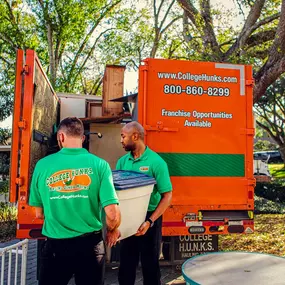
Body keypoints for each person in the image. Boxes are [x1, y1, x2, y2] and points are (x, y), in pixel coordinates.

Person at [29, 117, 121, 285]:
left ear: (61, 137)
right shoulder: (100, 165)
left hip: (56, 246)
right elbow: (112, 213)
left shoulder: (42, 165)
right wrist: (112, 230)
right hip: (90, 247)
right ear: (83, 138)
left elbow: (39, 213)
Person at [116, 121, 172, 285]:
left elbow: (167, 195)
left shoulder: (157, 162)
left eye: (123, 136)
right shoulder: (122, 162)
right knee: (126, 264)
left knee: (150, 266)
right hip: (126, 219)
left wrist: (150, 221)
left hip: (149, 219)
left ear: (135, 136)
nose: (121, 140)